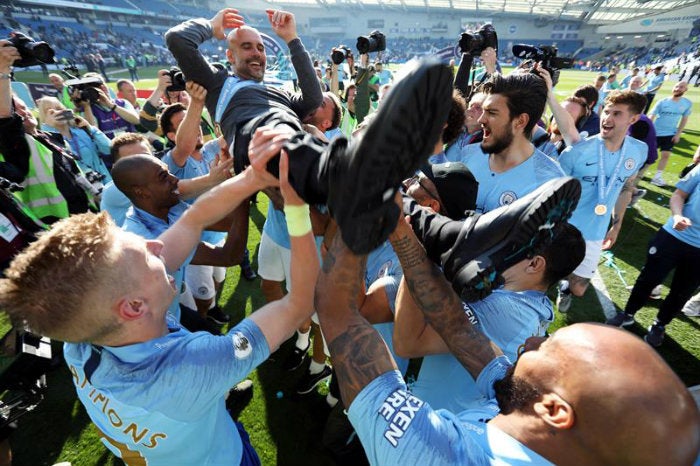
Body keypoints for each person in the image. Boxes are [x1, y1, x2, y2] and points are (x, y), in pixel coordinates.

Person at [313, 185, 700, 466]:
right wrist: (405, 233)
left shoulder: (438, 454)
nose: (532, 344)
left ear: (555, 410)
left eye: (547, 349)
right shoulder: (529, 409)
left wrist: (355, 212)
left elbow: (339, 316)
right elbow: (462, 332)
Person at [0, 137, 320, 465]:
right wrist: (296, 211)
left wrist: (253, 177)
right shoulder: (191, 369)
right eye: (146, 254)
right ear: (134, 306)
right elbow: (298, 302)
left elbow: (192, 221)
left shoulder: (81, 341)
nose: (156, 247)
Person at [166, 7, 454, 254]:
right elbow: (177, 39)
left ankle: (436, 231)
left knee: (360, 203)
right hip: (264, 143)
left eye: (261, 47)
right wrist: (212, 26)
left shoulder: (277, 91)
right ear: (229, 55)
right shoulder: (219, 82)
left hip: (297, 152)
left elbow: (314, 100)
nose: (256, 53)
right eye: (246, 47)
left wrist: (292, 40)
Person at [556, 90, 648, 313]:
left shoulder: (638, 151)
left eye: (617, 114)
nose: (607, 118)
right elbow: (554, 191)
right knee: (544, 276)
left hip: (595, 231)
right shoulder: (576, 152)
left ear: (633, 119)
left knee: (578, 288)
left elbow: (626, 188)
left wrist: (617, 224)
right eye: (606, 111)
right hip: (564, 228)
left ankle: (564, 287)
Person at [607, 165, 700, 346]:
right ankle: (628, 313)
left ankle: (660, 324)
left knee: (682, 292)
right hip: (674, 235)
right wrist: (677, 216)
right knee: (648, 279)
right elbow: (678, 195)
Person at [446, 72, 564, 214]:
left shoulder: (549, 182)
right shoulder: (468, 154)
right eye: (483, 111)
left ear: (520, 121)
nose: (481, 120)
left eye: (492, 113)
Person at [648, 81, 692, 187]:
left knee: (666, 155)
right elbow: (651, 116)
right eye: (676, 86)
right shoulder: (662, 102)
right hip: (656, 133)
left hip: (670, 134)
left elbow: (684, 119)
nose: (678, 88)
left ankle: (657, 177)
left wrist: (678, 134)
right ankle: (637, 174)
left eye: (681, 87)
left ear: (685, 90)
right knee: (648, 157)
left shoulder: (687, 103)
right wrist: (649, 131)